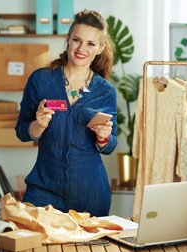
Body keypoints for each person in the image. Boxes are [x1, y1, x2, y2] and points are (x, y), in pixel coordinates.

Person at [15, 9, 117, 217]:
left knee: (88, 251)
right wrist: (38, 125)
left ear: (100, 48)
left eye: (91, 43)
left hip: (91, 194)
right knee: (31, 247)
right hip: (43, 191)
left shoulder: (105, 91)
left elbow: (109, 145)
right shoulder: (40, 80)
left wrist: (104, 138)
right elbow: (21, 131)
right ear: (68, 40)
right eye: (77, 40)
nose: (82, 48)